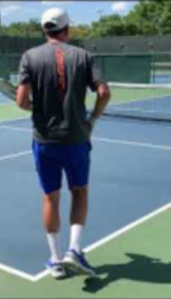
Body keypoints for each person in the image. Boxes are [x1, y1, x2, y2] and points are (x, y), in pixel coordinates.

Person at [16, 7, 110, 279]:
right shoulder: (84, 56)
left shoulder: (29, 57)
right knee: (79, 192)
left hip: (44, 140)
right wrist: (90, 121)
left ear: (45, 31)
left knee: (50, 197)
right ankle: (74, 250)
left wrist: (38, 109)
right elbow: (103, 93)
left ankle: (56, 260)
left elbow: (22, 101)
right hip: (76, 139)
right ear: (67, 30)